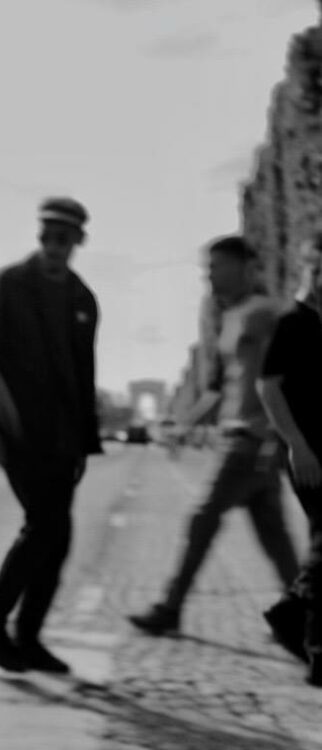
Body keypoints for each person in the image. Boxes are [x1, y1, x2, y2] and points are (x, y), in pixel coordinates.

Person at [129, 235, 299, 636]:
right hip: (243, 439)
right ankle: (304, 618)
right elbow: (220, 388)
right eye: (207, 267)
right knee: (274, 537)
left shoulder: (266, 314)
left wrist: (278, 434)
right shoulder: (233, 316)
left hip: (249, 440)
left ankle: (171, 608)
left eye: (216, 266)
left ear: (245, 267)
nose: (208, 275)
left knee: (203, 519)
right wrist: (183, 424)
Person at [0, 197, 102, 674]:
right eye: (46, 236)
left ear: (78, 242)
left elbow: (84, 374)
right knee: (45, 526)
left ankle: (27, 636)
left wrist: (87, 441)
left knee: (58, 536)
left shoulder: (84, 299)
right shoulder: (7, 285)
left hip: (63, 437)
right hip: (18, 429)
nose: (52, 246)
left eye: (63, 239)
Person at [257, 239, 322, 688]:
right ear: (306, 269)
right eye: (318, 270)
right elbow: (268, 386)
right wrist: (296, 443)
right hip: (307, 451)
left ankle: (290, 612)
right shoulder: (290, 322)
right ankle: (316, 651)